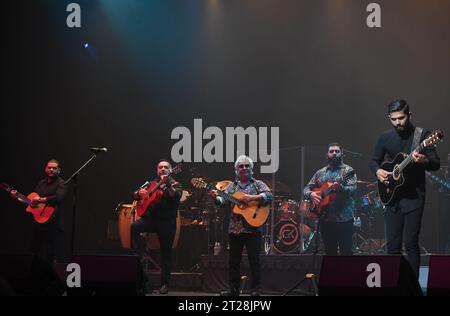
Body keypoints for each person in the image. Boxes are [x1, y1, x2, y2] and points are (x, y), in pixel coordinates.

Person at [370, 99, 440, 277]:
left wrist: (423, 160)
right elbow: (373, 161)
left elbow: (435, 164)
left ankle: (414, 287)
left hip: (414, 198)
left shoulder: (423, 135)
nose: (398, 123)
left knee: (410, 243)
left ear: (410, 115)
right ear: (389, 117)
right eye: (393, 119)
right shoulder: (385, 137)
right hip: (392, 197)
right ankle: (394, 283)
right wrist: (378, 171)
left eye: (401, 118)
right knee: (392, 245)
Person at [210, 155, 272, 296]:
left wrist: (251, 198)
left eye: (247, 166)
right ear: (236, 170)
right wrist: (216, 198)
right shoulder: (232, 187)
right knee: (234, 262)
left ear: (251, 169)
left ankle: (255, 290)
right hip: (235, 230)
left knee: (254, 260)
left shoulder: (258, 184)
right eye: (241, 166)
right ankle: (234, 290)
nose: (244, 168)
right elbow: (223, 202)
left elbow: (269, 196)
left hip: (253, 229)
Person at [131, 159, 182, 294]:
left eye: (166, 167)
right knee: (134, 227)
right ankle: (137, 254)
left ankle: (164, 284)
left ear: (171, 170)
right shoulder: (151, 183)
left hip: (167, 222)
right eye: (160, 167)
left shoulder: (175, 184)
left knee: (166, 253)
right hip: (152, 220)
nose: (163, 169)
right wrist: (139, 194)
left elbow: (176, 196)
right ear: (157, 170)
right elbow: (135, 194)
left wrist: (168, 184)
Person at [303, 143, 357, 256]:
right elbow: (306, 189)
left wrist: (340, 188)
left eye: (337, 151)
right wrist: (311, 194)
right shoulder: (320, 172)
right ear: (326, 155)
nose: (334, 153)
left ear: (342, 154)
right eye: (331, 151)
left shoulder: (348, 171)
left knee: (346, 252)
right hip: (326, 219)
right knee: (329, 252)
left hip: (344, 218)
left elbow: (352, 190)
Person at [10, 159, 67, 266]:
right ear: (45, 169)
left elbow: (58, 198)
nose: (51, 170)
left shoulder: (61, 183)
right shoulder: (41, 183)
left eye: (54, 168)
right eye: (49, 167)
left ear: (59, 170)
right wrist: (17, 197)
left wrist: (40, 199)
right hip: (38, 222)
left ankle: (54, 278)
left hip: (52, 223)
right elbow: (31, 201)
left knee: (51, 253)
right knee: (33, 250)